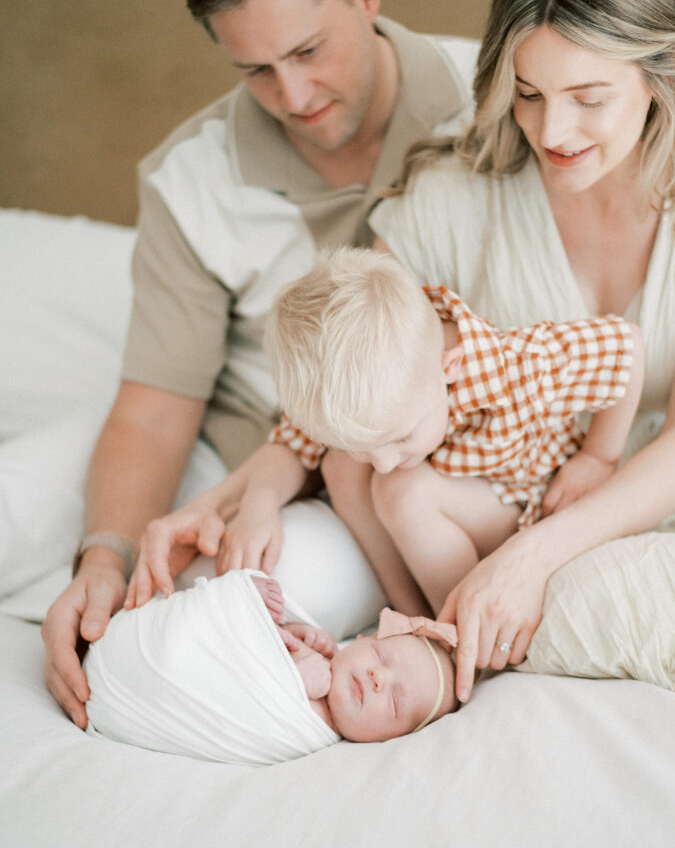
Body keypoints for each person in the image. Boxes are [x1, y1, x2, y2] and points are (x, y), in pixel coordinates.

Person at [42, 0, 475, 728]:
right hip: (242, 447)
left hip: (381, 486)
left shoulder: (490, 106)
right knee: (26, 511)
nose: (294, 95)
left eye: (309, 50)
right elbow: (151, 406)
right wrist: (106, 554)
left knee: (218, 623)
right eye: (255, 71)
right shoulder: (189, 180)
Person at [366, 0, 675, 704]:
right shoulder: (451, 199)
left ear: (661, 77)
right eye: (529, 94)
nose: (551, 133)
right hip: (491, 528)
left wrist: (533, 558)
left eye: (588, 99)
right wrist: (258, 488)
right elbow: (350, 391)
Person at [126, 245, 642, 621]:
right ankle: (411, 616)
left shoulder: (516, 365)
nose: (385, 459)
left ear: (451, 366)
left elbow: (628, 347)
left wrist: (600, 457)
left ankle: (461, 628)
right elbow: (296, 442)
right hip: (446, 506)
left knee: (402, 487)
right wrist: (258, 505)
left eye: (400, 437)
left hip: (521, 498)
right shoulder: (364, 386)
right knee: (339, 466)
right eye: (368, 446)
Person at [84, 570, 458, 763]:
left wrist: (293, 682)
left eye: (394, 702)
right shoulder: (324, 652)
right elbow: (240, 650)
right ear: (360, 641)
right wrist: (277, 627)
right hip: (157, 649)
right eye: (380, 657)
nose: (379, 679)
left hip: (138, 699)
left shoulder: (314, 733)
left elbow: (245, 704)